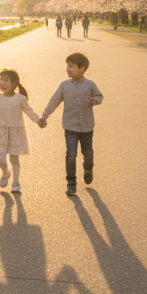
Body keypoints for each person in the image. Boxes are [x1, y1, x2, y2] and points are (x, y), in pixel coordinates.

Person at [38, 52, 104, 196]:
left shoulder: (90, 84)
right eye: (67, 66)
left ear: (82, 68)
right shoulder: (64, 85)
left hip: (87, 127)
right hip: (70, 127)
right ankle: (71, 182)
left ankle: (88, 168)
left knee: (88, 153)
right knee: (71, 154)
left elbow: (100, 96)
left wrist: (95, 100)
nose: (67, 69)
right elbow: (53, 101)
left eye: (71, 66)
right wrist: (44, 117)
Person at [0, 68, 42, 194]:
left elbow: (29, 111)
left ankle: (16, 182)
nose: (3, 83)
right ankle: (5, 172)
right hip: (1, 132)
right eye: (1, 80)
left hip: (15, 133)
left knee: (14, 159)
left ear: (14, 83)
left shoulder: (20, 99)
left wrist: (38, 120)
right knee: (1, 160)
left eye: (6, 80)